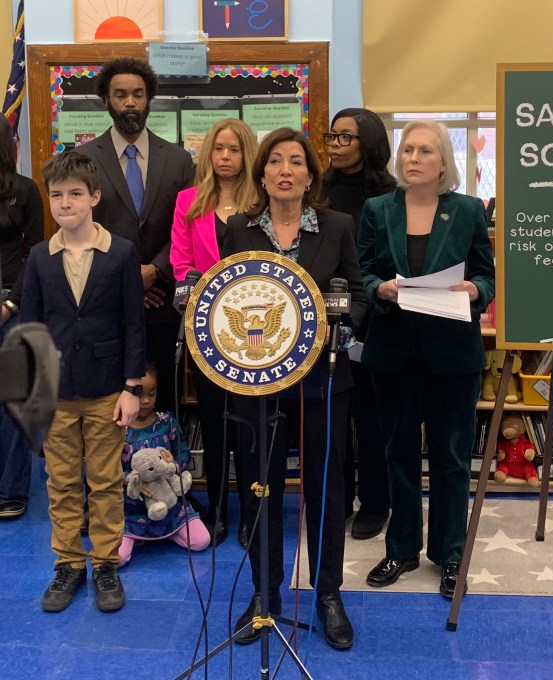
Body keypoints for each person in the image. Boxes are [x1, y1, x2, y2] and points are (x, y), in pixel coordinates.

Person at [222, 128, 367, 650]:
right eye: (276, 162)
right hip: (256, 388)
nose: (286, 170)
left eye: (297, 162)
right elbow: (226, 297)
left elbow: (357, 290)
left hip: (323, 383)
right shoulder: (238, 229)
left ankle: (328, 594)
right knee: (260, 491)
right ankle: (266, 593)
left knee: (324, 493)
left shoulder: (338, 226)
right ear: (261, 174)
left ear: (310, 175)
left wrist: (348, 327)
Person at [357, 120, 495, 598]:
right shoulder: (377, 209)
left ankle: (450, 554)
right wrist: (382, 289)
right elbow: (364, 273)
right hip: (392, 350)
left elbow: (486, 274)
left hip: (453, 352)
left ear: (443, 163)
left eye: (425, 151)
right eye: (407, 150)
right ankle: (400, 550)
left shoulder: (468, 209)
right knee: (397, 453)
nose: (413, 158)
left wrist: (476, 288)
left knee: (452, 458)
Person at [20, 150, 146, 612]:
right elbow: (29, 327)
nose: (65, 202)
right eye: (56, 194)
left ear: (94, 197)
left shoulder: (122, 252)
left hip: (107, 388)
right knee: (62, 480)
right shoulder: (39, 256)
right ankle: (68, 562)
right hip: (55, 391)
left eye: (75, 193)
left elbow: (134, 323)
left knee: (106, 479)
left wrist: (132, 388)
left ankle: (105, 562)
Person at [79, 57, 195, 413]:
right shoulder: (84, 160)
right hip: (107, 300)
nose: (130, 102)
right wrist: (129, 276)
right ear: (106, 101)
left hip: (162, 299)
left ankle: (168, 464)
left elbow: (187, 225)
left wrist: (154, 271)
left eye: (138, 95)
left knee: (165, 397)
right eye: (121, 95)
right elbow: (81, 228)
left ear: (149, 99)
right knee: (108, 399)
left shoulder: (178, 160)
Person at [170, 118, 258, 547]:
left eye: (234, 149)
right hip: (206, 329)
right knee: (214, 418)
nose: (225, 157)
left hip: (253, 330)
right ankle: (219, 509)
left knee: (247, 423)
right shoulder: (188, 201)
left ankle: (249, 512)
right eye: (218, 149)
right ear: (208, 155)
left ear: (247, 155)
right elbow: (181, 263)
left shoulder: (259, 202)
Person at [322, 108, 396, 539]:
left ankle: (375, 503)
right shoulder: (320, 190)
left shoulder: (389, 195)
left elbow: (383, 261)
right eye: (332, 135)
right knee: (333, 418)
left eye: (344, 137)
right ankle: (339, 499)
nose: (334, 143)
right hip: (326, 321)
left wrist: (361, 313)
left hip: (373, 324)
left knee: (371, 420)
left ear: (367, 142)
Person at [119, 364, 210, 566]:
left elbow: (183, 451)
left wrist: (174, 465)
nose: (146, 401)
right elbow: (108, 468)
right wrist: (128, 480)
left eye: (152, 394)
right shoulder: (119, 429)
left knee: (202, 541)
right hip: (134, 512)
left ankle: (167, 532)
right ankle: (138, 535)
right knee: (118, 558)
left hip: (172, 508)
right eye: (139, 394)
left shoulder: (166, 422)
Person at [0, 112, 44, 520]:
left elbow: (37, 252)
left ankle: (11, 490)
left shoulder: (26, 191)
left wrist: (10, 304)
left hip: (13, 306)